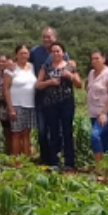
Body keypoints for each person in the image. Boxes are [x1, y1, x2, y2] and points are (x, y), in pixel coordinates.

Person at [35, 42, 82, 171]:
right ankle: (54, 162)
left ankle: (69, 162)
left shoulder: (70, 66)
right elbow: (37, 85)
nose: (56, 53)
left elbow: (79, 84)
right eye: (53, 51)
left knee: (67, 132)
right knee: (53, 133)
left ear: (63, 53)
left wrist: (70, 76)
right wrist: (49, 82)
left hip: (66, 103)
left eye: (58, 51)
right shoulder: (46, 67)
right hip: (50, 104)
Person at [30, 27, 69, 164]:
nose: (46, 39)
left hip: (58, 99)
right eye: (44, 37)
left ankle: (57, 158)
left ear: (55, 37)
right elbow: (23, 61)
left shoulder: (62, 53)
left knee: (56, 130)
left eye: (49, 37)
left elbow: (70, 66)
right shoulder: (35, 52)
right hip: (40, 96)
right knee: (41, 131)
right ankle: (45, 158)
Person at [4, 45, 37, 158]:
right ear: (16, 55)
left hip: (30, 105)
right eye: (21, 53)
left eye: (26, 53)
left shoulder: (32, 67)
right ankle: (16, 160)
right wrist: (11, 108)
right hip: (17, 105)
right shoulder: (11, 69)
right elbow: (6, 89)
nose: (24, 55)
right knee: (16, 134)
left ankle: (26, 160)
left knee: (27, 133)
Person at [86, 50, 108, 163]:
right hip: (94, 112)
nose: (94, 61)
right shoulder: (91, 73)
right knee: (103, 139)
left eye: (97, 59)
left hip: (106, 112)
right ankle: (107, 165)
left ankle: (99, 166)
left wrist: (104, 113)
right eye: (92, 59)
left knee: (95, 135)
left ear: (104, 59)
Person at [0, 54, 13, 153]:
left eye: (4, 61)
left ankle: (12, 152)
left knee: (12, 131)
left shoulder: (11, 73)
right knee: (4, 130)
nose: (2, 63)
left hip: (9, 103)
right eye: (0, 61)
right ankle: (6, 152)